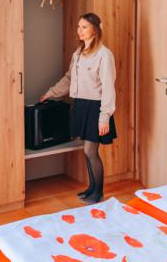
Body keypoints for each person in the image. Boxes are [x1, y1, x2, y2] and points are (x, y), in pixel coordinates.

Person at [39, 12, 117, 204]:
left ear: (95, 30)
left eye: (84, 27)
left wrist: (104, 117)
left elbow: (108, 87)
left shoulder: (104, 55)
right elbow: (69, 79)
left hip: (96, 107)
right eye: (78, 26)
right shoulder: (78, 53)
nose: (79, 30)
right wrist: (50, 93)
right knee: (87, 150)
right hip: (80, 105)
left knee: (91, 151)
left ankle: (98, 193)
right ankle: (91, 188)